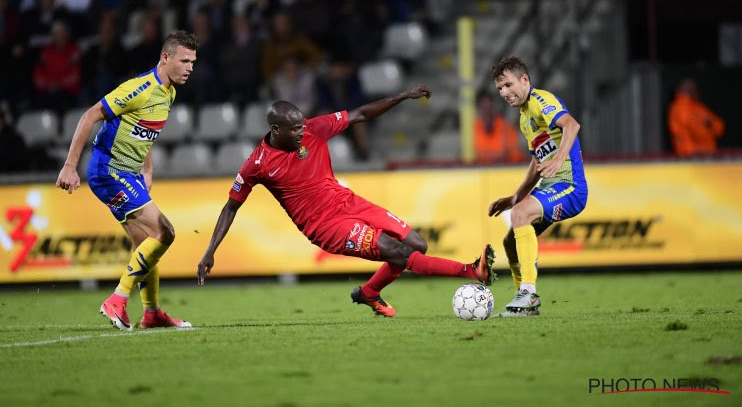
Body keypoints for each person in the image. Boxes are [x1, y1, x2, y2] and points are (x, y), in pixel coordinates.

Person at [197, 84, 495, 317]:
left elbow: (360, 114)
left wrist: (404, 95)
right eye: (296, 128)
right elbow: (231, 206)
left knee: (417, 243)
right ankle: (471, 271)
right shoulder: (257, 164)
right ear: (277, 130)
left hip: (348, 201)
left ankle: (369, 292)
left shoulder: (314, 129)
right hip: (324, 225)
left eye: (303, 125)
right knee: (397, 253)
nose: (304, 130)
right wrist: (210, 251)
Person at [55, 30, 199, 331]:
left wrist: (147, 170)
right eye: (185, 61)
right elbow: (90, 116)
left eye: (193, 62)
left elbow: (146, 131)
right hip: (109, 171)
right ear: (165, 57)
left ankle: (152, 313)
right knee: (164, 232)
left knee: (145, 244)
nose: (190, 68)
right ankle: (117, 299)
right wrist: (70, 166)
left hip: (128, 173)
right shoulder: (140, 88)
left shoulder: (169, 91)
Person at [487, 57, 587, 317]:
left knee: (521, 215)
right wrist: (516, 196)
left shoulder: (542, 100)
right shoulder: (524, 118)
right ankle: (524, 302)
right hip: (551, 185)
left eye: (508, 85)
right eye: (500, 89)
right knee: (510, 241)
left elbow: (572, 125)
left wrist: (558, 159)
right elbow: (537, 159)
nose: (504, 93)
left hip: (570, 186)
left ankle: (528, 294)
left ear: (525, 80)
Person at [667, 77, 725, 156]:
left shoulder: (699, 107)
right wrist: (706, 128)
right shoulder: (679, 106)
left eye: (692, 85)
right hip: (688, 153)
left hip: (707, 153)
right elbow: (691, 128)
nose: (691, 87)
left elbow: (719, 127)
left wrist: (710, 123)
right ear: (679, 88)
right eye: (687, 86)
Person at [474, 89, 525, 163]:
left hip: (503, 171)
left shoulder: (506, 128)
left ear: (494, 106)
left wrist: (506, 155)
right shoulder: (472, 129)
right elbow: (472, 156)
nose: (487, 111)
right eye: (484, 108)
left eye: (490, 107)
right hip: (477, 172)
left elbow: (516, 155)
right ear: (478, 108)